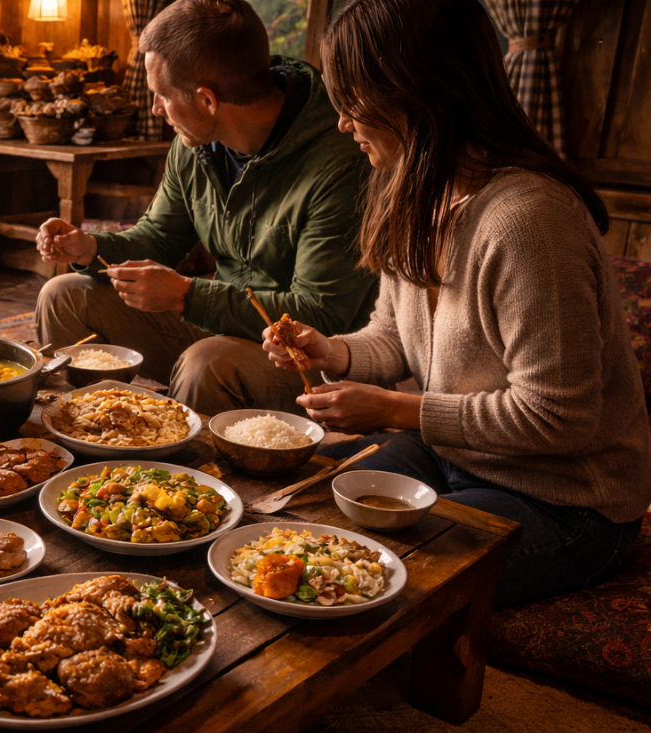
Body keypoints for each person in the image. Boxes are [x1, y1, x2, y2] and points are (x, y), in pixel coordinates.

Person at [262, 0, 651, 607]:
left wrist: (396, 410)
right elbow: (393, 335)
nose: (343, 124)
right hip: (452, 458)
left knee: (366, 576)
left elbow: (558, 417)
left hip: (565, 501)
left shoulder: (528, 220)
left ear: (414, 91)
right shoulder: (415, 192)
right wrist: (333, 351)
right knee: (298, 521)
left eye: (354, 101)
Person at [34, 0, 375, 415]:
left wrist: (187, 296)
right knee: (63, 295)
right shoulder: (194, 144)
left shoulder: (341, 162)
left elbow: (322, 313)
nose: (157, 109)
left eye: (161, 96)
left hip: (309, 359)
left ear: (207, 101)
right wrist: (89, 249)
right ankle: (102, 436)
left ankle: (176, 474)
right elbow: (159, 238)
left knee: (207, 363)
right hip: (217, 323)